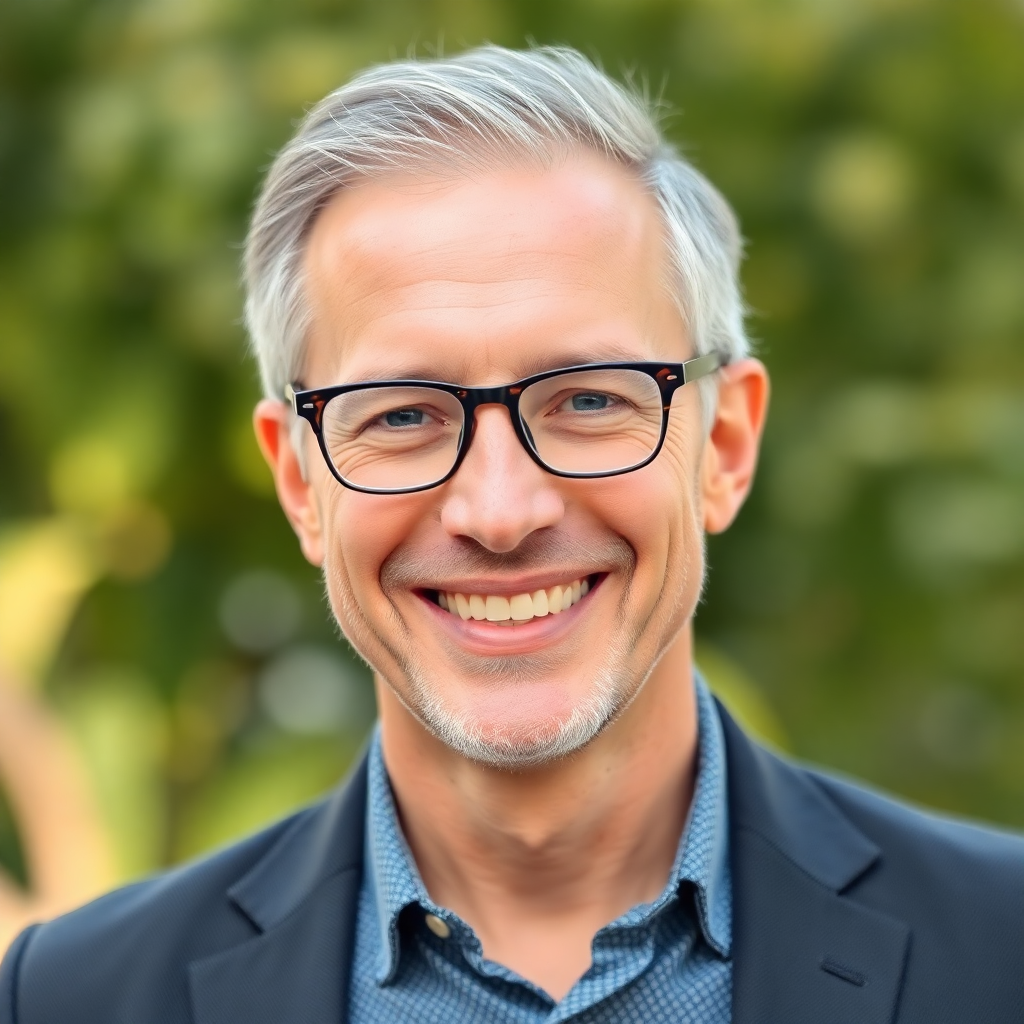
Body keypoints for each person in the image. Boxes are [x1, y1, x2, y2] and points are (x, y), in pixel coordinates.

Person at [2, 45, 1021, 1024]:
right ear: (301, 481)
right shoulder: (71, 1002)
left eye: (588, 399)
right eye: (402, 414)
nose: (498, 512)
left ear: (723, 445)